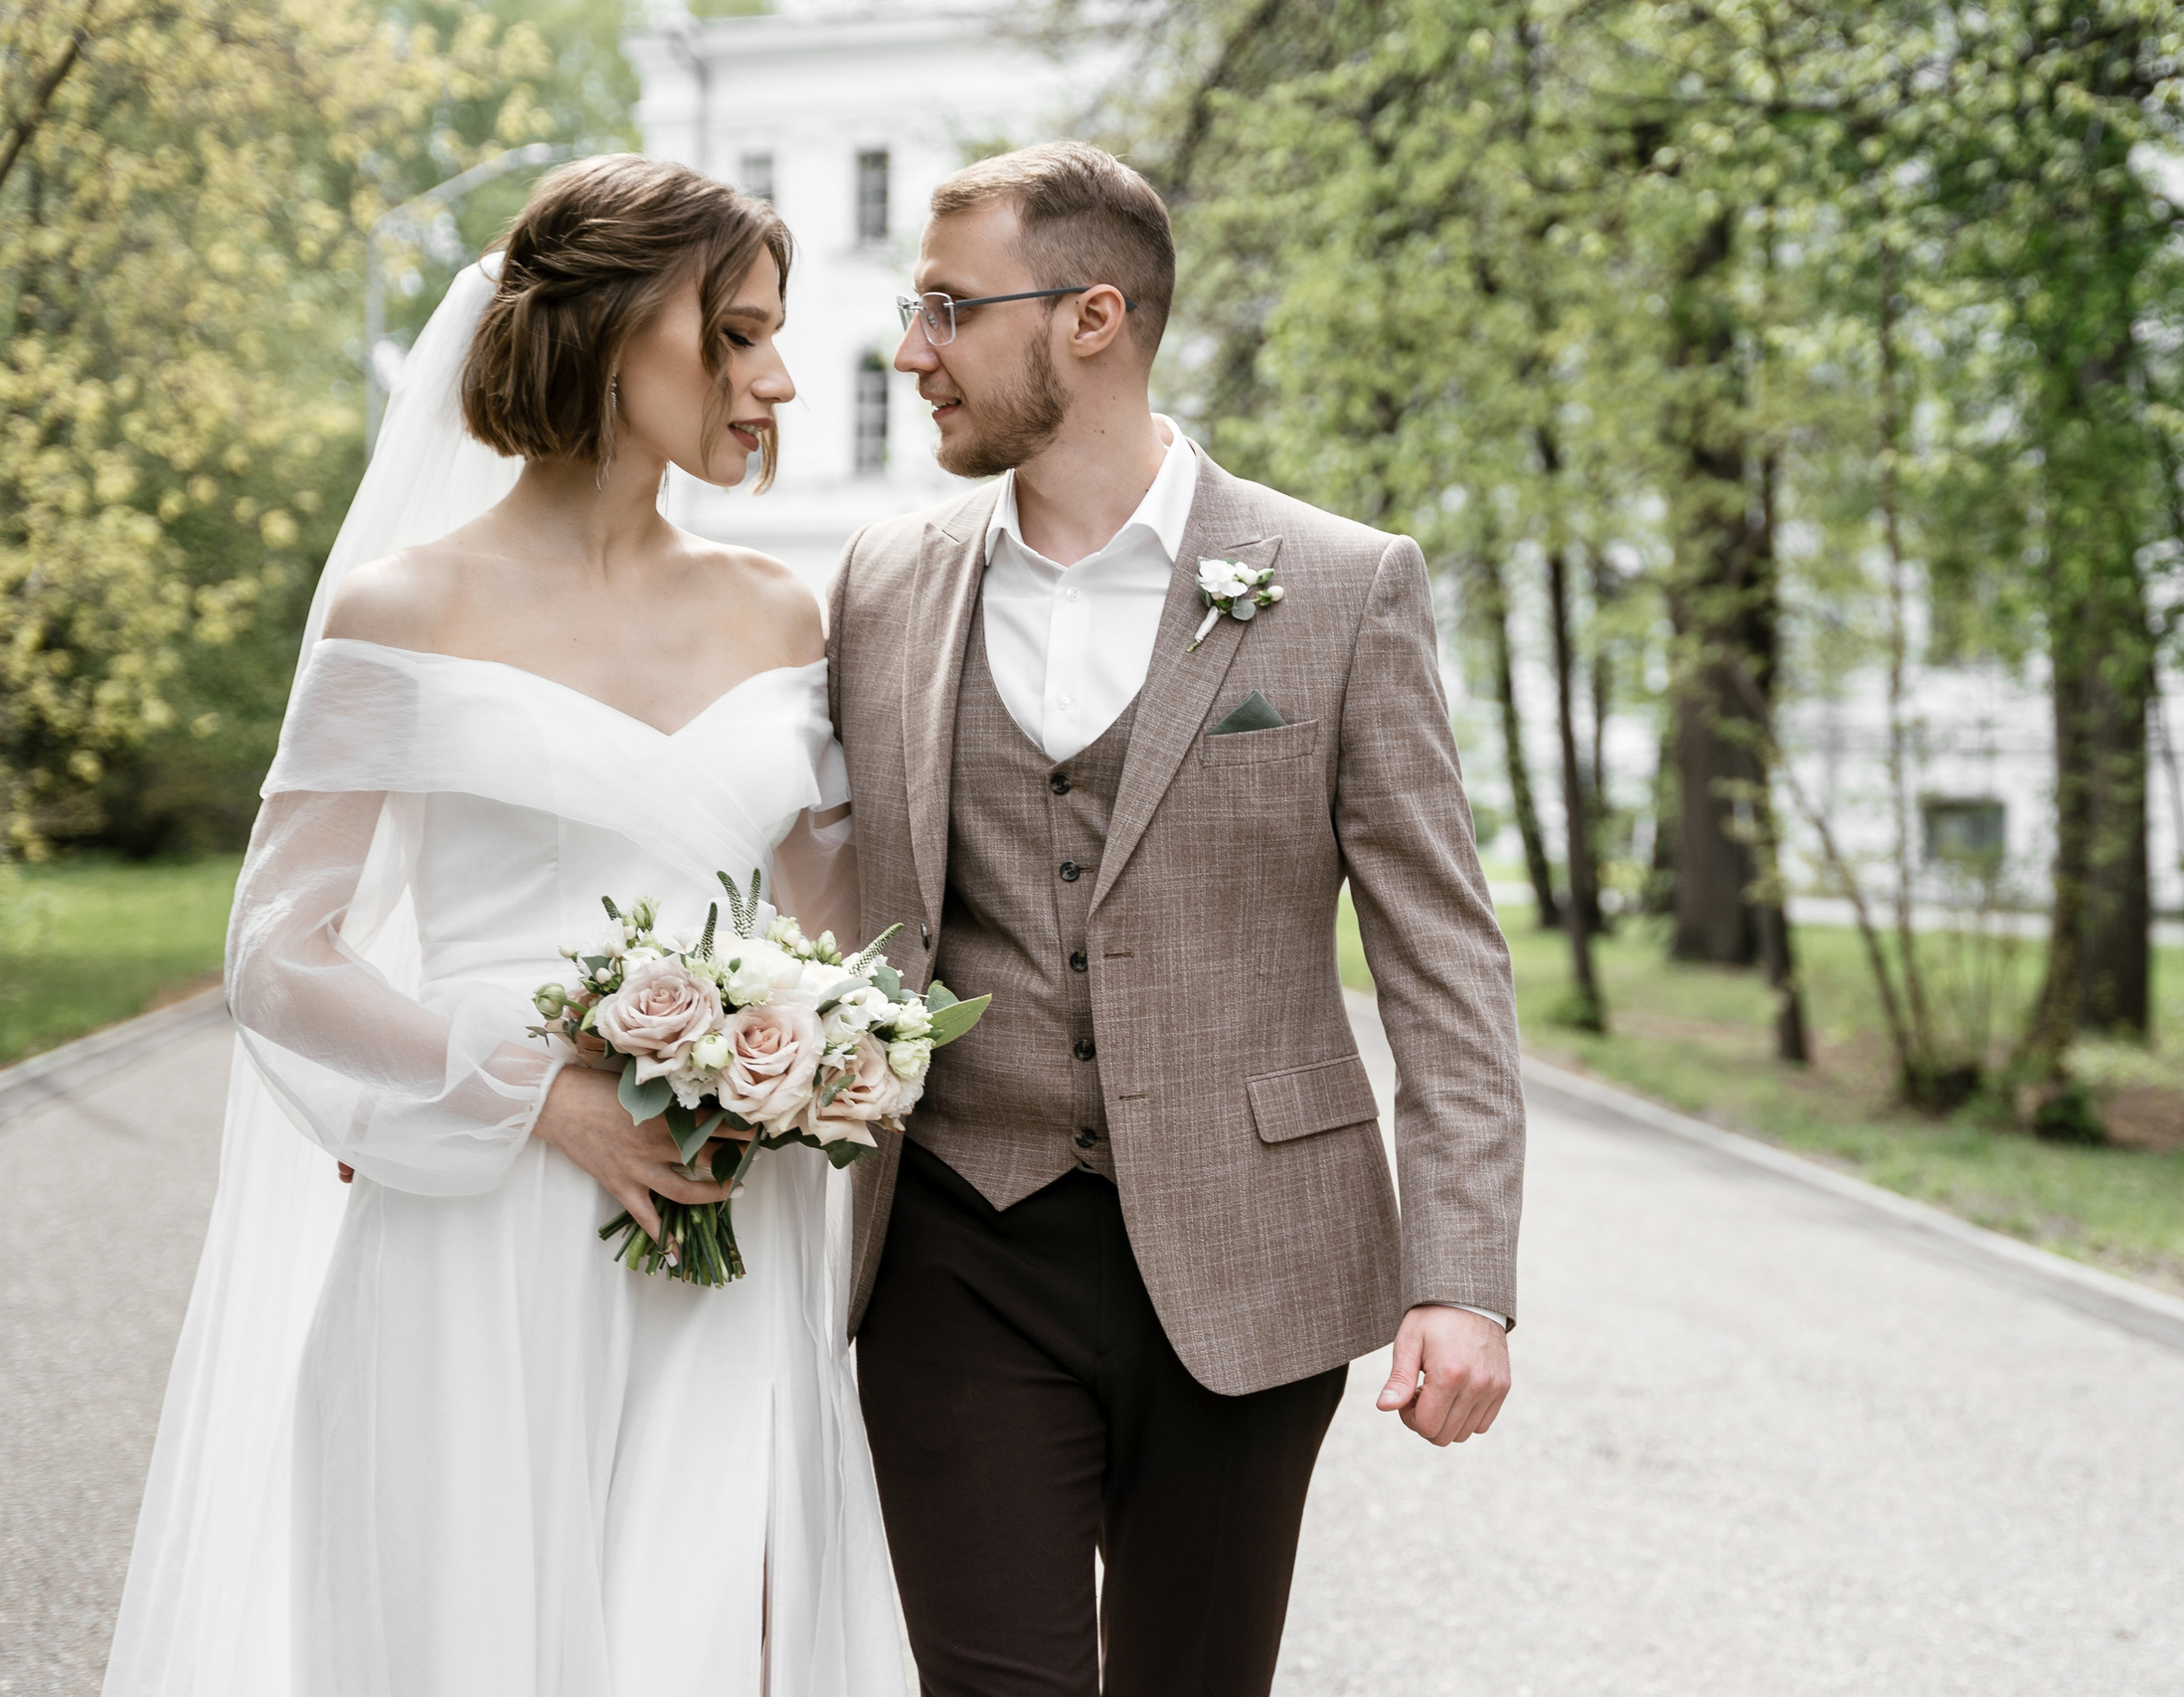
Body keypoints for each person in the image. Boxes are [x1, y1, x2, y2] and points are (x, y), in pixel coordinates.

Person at [103, 155, 905, 1697]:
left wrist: (816, 1057)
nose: (779, 380)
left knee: (705, 1636)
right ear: (610, 333)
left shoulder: (778, 614)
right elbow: (277, 949)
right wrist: (540, 1093)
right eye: (736, 336)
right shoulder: (404, 611)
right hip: (483, 1222)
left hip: (727, 1227)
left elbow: (845, 938)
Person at [826, 140, 1527, 1697]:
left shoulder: (1339, 584)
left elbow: (1445, 960)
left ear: (1091, 317)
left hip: (1254, 1252)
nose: (913, 352)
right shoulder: (883, 585)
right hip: (957, 1246)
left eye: (948, 308)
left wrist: (1463, 1276)